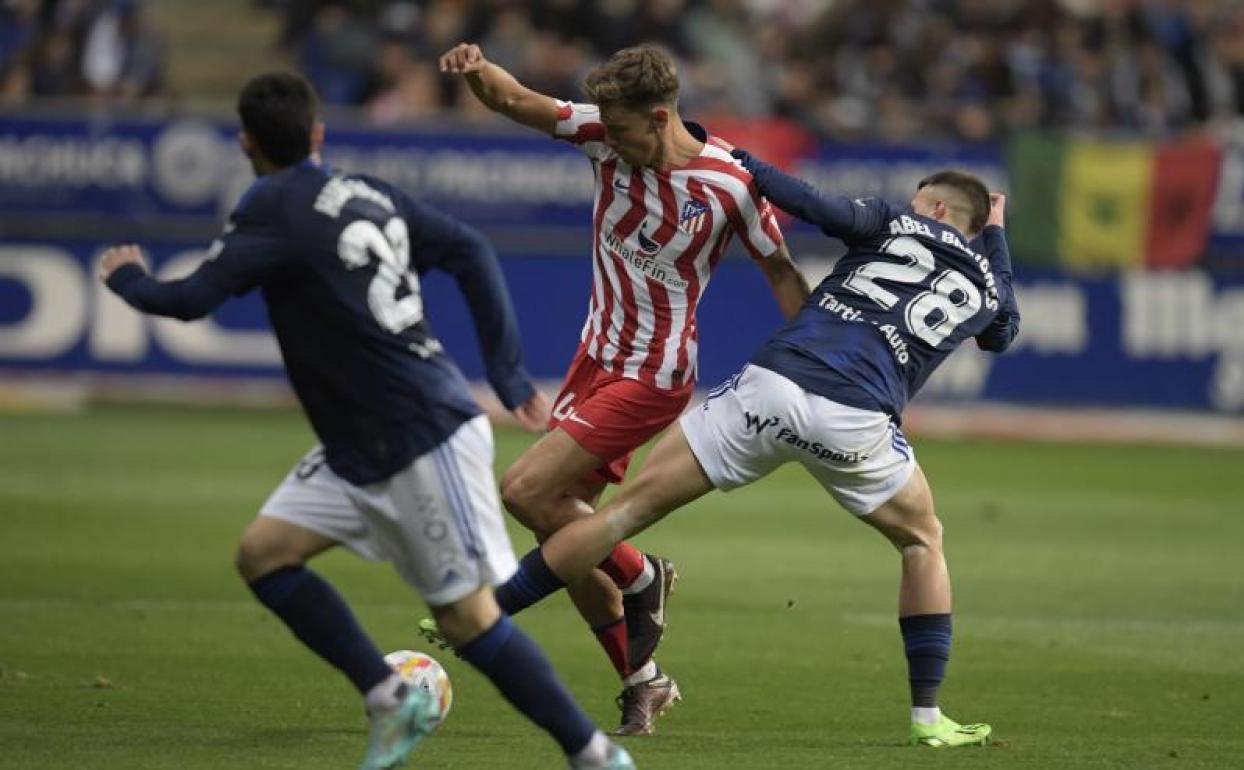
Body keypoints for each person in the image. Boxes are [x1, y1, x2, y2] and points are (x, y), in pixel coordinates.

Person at [98, 71, 634, 770]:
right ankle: (388, 696)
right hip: (361, 441)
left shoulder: (270, 205)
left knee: (467, 620)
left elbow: (191, 299)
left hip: (417, 435)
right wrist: (504, 373)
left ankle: (593, 754)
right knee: (263, 555)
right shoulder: (365, 191)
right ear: (318, 136)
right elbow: (470, 248)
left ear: (245, 142)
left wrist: (126, 279)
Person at [485, 150, 1021, 748]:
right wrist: (994, 235)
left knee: (619, 514)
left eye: (922, 200)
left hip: (771, 386)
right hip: (857, 419)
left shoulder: (893, 222)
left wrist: (739, 160)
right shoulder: (984, 285)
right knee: (923, 541)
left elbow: (809, 202)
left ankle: (483, 615)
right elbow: (1002, 332)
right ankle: (928, 718)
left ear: (938, 208)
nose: (914, 207)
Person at [436, 42, 811, 736]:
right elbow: (517, 101)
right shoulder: (604, 135)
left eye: (622, 130)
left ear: (662, 116)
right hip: (594, 362)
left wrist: (820, 360)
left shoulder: (729, 184)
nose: (608, 140)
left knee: (525, 491)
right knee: (562, 519)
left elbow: (783, 272)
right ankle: (643, 679)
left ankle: (641, 576)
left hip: (655, 374)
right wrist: (477, 69)